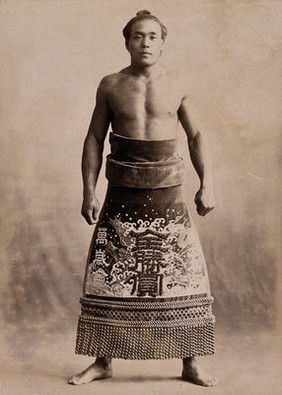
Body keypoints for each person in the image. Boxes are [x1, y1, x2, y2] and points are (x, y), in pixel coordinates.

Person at [69, 10, 218, 387]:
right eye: (138, 36)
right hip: (121, 190)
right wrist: (89, 190)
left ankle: (191, 361)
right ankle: (103, 360)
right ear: (127, 42)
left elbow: (196, 136)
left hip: (168, 188)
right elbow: (93, 139)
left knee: (179, 272)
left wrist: (208, 183)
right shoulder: (110, 84)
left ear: (163, 43)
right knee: (110, 273)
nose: (145, 43)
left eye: (153, 36)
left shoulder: (179, 83)